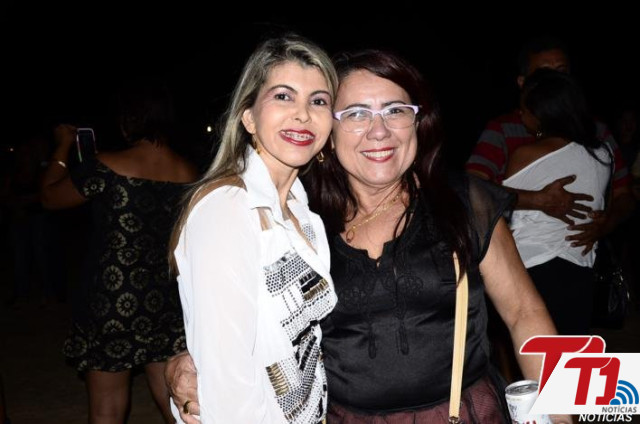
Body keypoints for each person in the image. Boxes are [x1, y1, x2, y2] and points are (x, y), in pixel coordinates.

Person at [166, 49, 572, 424]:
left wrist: (564, 414)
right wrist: (190, 359)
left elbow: (525, 313)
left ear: (418, 122)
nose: (379, 131)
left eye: (395, 110)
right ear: (329, 131)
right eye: (356, 114)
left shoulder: (464, 202)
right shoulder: (303, 220)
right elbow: (260, 319)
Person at [167, 34, 338, 423]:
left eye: (318, 101)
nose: (303, 114)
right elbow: (229, 385)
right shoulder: (228, 208)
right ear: (248, 117)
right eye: (283, 96)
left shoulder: (302, 213)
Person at [40, 79, 199, 423]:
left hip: (113, 302)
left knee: (107, 410)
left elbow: (50, 197)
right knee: (177, 404)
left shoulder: (107, 166)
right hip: (167, 300)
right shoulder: (190, 173)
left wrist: (62, 146)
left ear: (129, 119)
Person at [466, 36, 634, 254]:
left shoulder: (596, 131)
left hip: (581, 259)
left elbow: (624, 195)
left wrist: (607, 222)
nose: (555, 79)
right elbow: (471, 187)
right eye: (544, 73)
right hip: (515, 255)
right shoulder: (503, 129)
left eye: (561, 71)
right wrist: (537, 200)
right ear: (523, 82)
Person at [502, 68, 611, 335]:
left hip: (530, 267)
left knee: (531, 352)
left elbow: (500, 207)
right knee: (568, 353)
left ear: (542, 114)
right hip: (580, 268)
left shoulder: (525, 154)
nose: (520, 114)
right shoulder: (603, 154)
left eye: (524, 109)